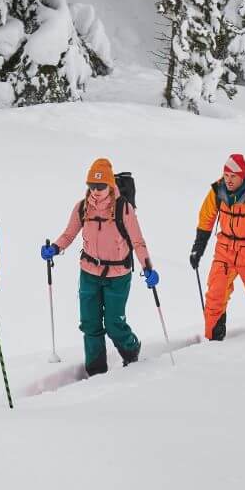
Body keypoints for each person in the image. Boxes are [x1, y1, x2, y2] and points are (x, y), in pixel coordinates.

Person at [41, 158, 157, 375]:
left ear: (110, 185)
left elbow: (138, 241)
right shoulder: (82, 207)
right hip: (89, 274)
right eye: (91, 186)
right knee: (90, 324)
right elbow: (69, 234)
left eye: (100, 186)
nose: (95, 191)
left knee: (114, 323)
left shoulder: (124, 208)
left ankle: (131, 350)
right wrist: (55, 248)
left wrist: (148, 267)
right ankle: (95, 372)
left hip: (118, 275)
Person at [189, 152, 245, 340]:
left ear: (242, 176)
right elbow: (206, 218)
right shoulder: (217, 191)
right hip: (225, 249)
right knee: (215, 296)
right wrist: (198, 248)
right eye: (226, 176)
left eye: (233, 176)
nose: (229, 180)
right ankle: (213, 341)